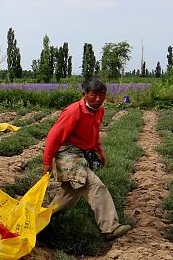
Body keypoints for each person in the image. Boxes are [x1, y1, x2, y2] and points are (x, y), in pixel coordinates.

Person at [42, 77, 131, 240]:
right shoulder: (73, 111)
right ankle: (110, 228)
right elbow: (54, 136)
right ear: (84, 94)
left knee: (71, 192)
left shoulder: (99, 110)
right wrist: (47, 161)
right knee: (94, 184)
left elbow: (94, 133)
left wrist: (99, 152)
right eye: (94, 95)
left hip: (81, 153)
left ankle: (44, 219)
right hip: (66, 154)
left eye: (102, 95)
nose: (98, 99)